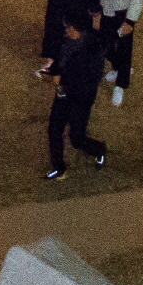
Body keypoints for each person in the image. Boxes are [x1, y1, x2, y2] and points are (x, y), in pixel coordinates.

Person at [44, 15, 110, 179]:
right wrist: (54, 73)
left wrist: (60, 79)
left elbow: (87, 79)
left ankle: (98, 149)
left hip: (80, 98)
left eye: (69, 28)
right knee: (54, 129)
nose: (66, 31)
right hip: (64, 92)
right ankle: (59, 167)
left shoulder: (93, 50)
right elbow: (60, 62)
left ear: (78, 30)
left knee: (76, 138)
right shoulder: (68, 42)